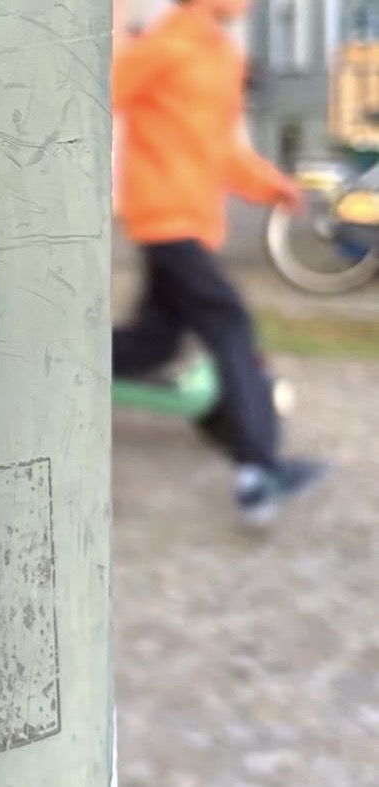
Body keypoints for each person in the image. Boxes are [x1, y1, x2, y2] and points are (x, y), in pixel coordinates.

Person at [111, 0, 328, 523]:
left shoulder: (222, 55)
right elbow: (100, 94)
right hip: (165, 220)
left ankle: (58, 366)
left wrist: (273, 186)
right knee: (229, 323)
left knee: (154, 341)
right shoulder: (165, 47)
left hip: (193, 223)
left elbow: (221, 150)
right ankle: (259, 472)